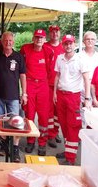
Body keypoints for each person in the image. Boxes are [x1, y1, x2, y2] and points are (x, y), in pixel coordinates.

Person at [54, 35, 91, 165]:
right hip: (61, 94)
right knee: (63, 125)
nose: (68, 46)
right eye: (66, 44)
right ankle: (68, 150)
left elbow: (86, 79)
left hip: (73, 97)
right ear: (63, 45)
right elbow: (57, 76)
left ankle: (71, 159)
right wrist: (54, 93)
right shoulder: (60, 58)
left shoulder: (80, 59)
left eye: (70, 43)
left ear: (74, 44)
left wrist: (87, 98)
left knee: (73, 126)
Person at [0, 31, 27, 163]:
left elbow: (23, 76)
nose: (8, 43)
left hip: (13, 96)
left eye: (10, 41)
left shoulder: (18, 57)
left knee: (15, 124)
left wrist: (24, 93)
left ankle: (15, 149)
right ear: (1, 42)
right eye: (5, 40)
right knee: (0, 122)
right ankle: (5, 145)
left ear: (13, 42)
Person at [20, 29, 51, 156]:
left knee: (44, 115)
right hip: (30, 83)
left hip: (43, 84)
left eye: (41, 38)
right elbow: (22, 67)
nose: (39, 40)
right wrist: (24, 91)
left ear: (45, 40)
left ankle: (42, 143)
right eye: (37, 37)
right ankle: (30, 140)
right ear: (33, 38)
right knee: (29, 114)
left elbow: (49, 69)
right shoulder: (25, 49)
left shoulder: (48, 51)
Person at [43, 25, 64, 148]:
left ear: (60, 33)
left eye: (57, 31)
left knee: (58, 112)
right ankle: (49, 135)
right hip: (48, 84)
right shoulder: (45, 46)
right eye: (52, 32)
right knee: (49, 111)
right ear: (49, 34)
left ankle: (55, 132)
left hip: (61, 85)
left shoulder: (64, 46)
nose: (55, 33)